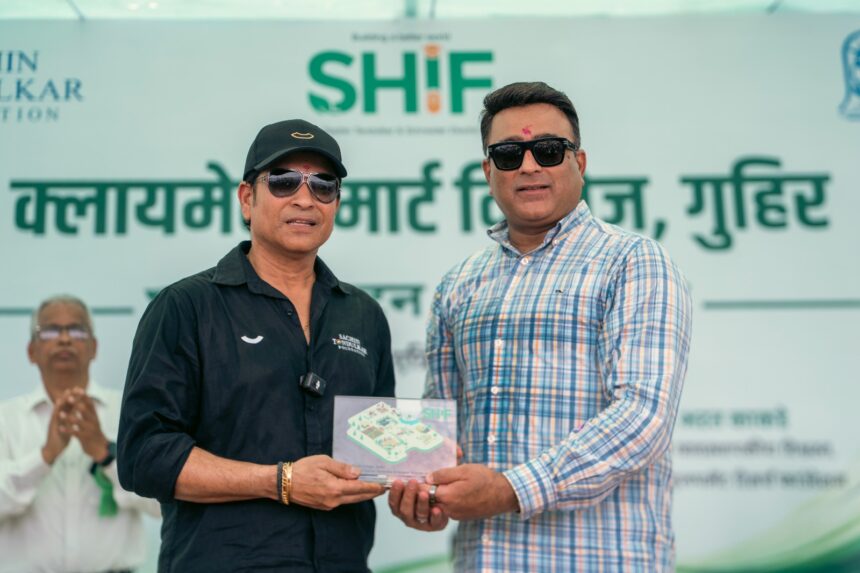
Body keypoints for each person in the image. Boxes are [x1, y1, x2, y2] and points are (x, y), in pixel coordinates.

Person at [389, 82, 693, 571]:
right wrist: (426, 492)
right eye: (509, 154)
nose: (529, 166)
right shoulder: (459, 284)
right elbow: (441, 429)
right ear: (488, 172)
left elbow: (643, 418)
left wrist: (510, 489)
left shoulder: (633, 262)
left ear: (580, 163)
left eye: (549, 150)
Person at [118, 119, 395, 572]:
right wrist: (280, 481)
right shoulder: (187, 306)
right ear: (247, 199)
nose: (305, 198)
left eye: (323, 185)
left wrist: (421, 484)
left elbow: (378, 452)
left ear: (337, 203)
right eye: (284, 181)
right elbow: (144, 457)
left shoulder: (364, 315)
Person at [0, 295, 160, 573]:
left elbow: (161, 503)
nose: (64, 339)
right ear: (31, 351)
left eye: (76, 330)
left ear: (94, 347)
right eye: (50, 330)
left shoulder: (129, 413)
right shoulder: (5, 418)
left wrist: (105, 453)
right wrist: (45, 456)